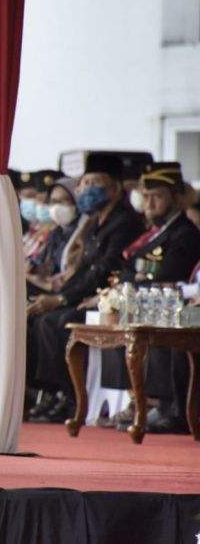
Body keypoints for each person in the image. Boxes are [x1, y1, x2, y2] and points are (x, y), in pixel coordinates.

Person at [27, 153, 144, 422]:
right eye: (85, 183)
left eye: (95, 183)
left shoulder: (124, 221)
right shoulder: (97, 221)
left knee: (60, 321)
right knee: (44, 320)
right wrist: (59, 295)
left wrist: (62, 299)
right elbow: (83, 269)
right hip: (86, 295)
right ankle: (53, 393)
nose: (87, 190)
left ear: (114, 189)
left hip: (108, 300)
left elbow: (102, 269)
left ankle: (70, 397)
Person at [100, 162, 200, 433]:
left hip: (170, 302)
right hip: (147, 297)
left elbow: (167, 275)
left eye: (157, 196)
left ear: (176, 198)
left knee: (155, 330)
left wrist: (133, 280)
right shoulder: (153, 233)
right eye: (146, 196)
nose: (149, 202)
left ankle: (164, 405)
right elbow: (127, 268)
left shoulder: (184, 233)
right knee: (117, 321)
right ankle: (136, 399)